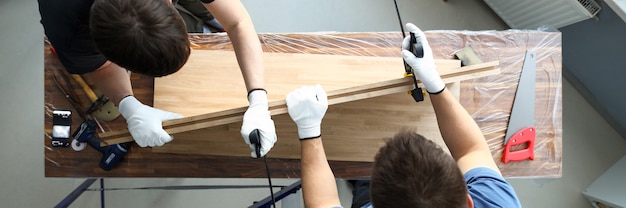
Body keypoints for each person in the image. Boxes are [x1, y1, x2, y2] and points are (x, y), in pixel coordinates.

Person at [284, 23, 521, 208]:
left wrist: (309, 129)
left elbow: (323, 203)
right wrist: (434, 82)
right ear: (469, 203)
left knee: (364, 181)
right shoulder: (497, 203)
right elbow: (472, 150)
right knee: (366, 181)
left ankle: (363, 182)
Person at [38, 0, 276, 158]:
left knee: (212, 12)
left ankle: (205, 22)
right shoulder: (68, 28)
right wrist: (129, 105)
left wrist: (258, 98)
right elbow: (99, 66)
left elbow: (237, 21)